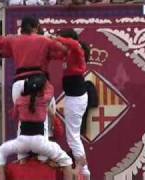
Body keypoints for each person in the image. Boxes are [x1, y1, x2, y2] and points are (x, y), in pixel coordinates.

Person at [0, 16, 67, 160]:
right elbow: (63, 51)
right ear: (35, 27)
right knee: (42, 121)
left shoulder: (13, 39)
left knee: (21, 122)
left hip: (18, 84)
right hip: (38, 82)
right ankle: (42, 160)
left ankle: (21, 160)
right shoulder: (43, 40)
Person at [0, 75, 73, 180]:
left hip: (23, 141)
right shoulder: (45, 100)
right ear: (42, 90)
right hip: (40, 142)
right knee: (66, 161)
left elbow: (14, 116)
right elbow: (50, 89)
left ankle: (3, 177)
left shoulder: (19, 101)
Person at [53, 29, 91, 180]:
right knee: (73, 137)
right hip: (73, 97)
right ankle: (84, 170)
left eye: (63, 39)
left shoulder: (77, 49)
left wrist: (56, 38)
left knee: (73, 137)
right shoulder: (69, 53)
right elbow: (56, 52)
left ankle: (85, 171)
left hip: (76, 98)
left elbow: (73, 44)